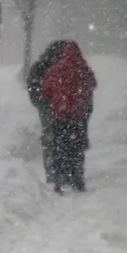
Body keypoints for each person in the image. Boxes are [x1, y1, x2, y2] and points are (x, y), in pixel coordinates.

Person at [38, 41, 97, 193]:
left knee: (59, 147)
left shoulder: (56, 70)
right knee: (76, 148)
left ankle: (58, 180)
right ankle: (77, 179)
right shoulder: (83, 69)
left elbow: (45, 90)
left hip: (58, 116)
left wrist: (57, 98)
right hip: (76, 116)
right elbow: (93, 83)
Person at [26, 40, 69, 182]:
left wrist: (42, 103)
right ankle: (62, 172)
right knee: (62, 138)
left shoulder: (40, 67)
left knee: (51, 138)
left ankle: (53, 172)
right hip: (60, 109)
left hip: (49, 108)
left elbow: (33, 88)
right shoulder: (64, 67)